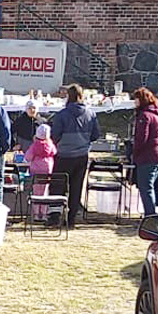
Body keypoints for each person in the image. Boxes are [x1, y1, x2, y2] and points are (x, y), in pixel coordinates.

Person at [48, 84, 101, 220]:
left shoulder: (61, 115)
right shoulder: (90, 114)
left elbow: (55, 135)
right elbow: (96, 135)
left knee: (58, 185)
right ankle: (72, 217)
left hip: (63, 155)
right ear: (81, 96)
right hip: (81, 155)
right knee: (76, 187)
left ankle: (55, 216)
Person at [130, 87, 158, 219]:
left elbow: (141, 138)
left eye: (136, 99)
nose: (134, 102)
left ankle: (150, 216)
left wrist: (134, 153)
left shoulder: (145, 116)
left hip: (149, 156)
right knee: (149, 186)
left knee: (145, 187)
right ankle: (151, 212)